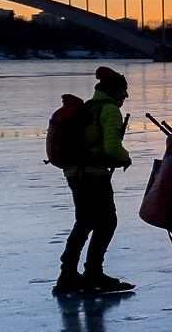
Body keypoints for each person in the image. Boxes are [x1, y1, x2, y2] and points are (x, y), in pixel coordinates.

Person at [56, 66, 134, 296]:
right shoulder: (109, 110)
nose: (126, 96)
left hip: (75, 173)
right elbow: (112, 148)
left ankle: (67, 274)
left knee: (84, 223)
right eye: (123, 90)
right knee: (106, 222)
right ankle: (93, 274)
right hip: (93, 176)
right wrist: (125, 158)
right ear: (114, 91)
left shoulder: (89, 107)